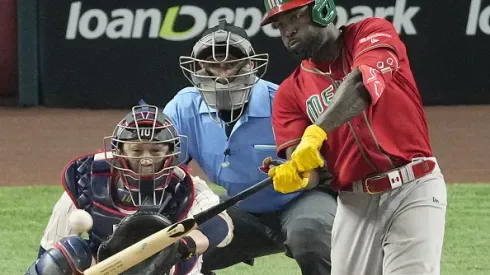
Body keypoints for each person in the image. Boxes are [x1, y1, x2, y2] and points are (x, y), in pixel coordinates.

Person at [260, 1, 448, 275]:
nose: (288, 31)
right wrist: (298, 175)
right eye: (280, 25)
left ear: (322, 9)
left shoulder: (372, 33)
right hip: (354, 203)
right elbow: (309, 167)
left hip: (413, 184)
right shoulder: (290, 93)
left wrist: (317, 130)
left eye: (294, 17)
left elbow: (361, 85)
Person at [159, 19, 337, 275]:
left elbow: (326, 169)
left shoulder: (284, 100)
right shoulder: (183, 108)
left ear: (252, 64)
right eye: (213, 66)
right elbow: (165, 174)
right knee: (173, 243)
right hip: (238, 209)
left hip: (300, 202)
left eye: (231, 65)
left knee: (310, 234)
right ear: (199, 67)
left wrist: (303, 176)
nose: (222, 76)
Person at [26, 105, 233, 275]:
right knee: (61, 257)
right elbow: (49, 250)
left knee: (177, 261)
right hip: (106, 269)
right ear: (119, 151)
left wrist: (184, 245)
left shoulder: (184, 187)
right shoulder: (86, 179)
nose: (145, 159)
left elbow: (221, 227)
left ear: (171, 152)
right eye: (136, 150)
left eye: (155, 151)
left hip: (165, 271)